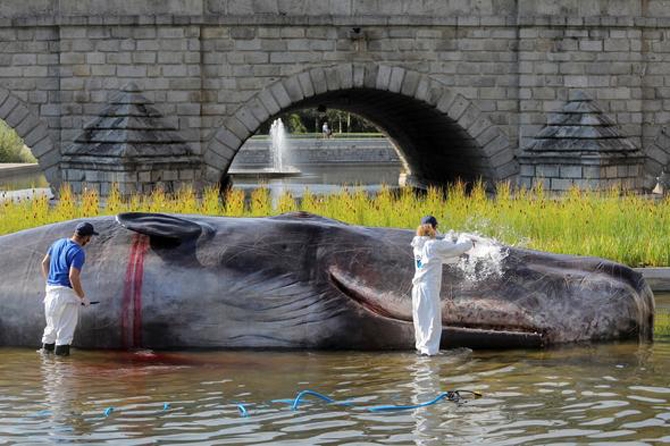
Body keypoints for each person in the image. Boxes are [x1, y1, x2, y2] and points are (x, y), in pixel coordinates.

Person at [410, 215, 473, 356]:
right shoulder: (433, 245)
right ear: (434, 228)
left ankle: (422, 355)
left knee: (421, 323)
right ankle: (430, 358)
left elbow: (441, 257)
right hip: (428, 289)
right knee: (433, 322)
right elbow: (458, 249)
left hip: (417, 290)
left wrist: (448, 240)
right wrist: (467, 239)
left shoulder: (417, 245)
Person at [39, 222, 99, 356]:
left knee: (50, 330)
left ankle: (47, 370)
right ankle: (62, 373)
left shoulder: (57, 243)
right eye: (89, 238)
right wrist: (83, 298)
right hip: (66, 295)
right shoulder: (78, 252)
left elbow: (44, 263)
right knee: (64, 334)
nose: (89, 241)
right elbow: (73, 276)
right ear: (86, 237)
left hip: (50, 293)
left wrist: (49, 282)